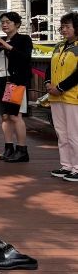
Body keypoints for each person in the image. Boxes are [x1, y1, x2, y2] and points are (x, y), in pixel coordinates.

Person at [0, 12, 33, 162]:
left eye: (8, 22)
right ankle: (8, 148)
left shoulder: (24, 39)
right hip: (0, 80)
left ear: (17, 24)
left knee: (15, 116)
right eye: (2, 22)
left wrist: (8, 47)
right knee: (4, 116)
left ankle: (22, 150)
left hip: (14, 81)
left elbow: (25, 58)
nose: (4, 24)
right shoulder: (0, 41)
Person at [45, 12, 78, 182]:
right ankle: (66, 165)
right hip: (56, 97)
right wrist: (48, 83)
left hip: (73, 97)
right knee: (61, 133)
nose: (64, 29)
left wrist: (60, 88)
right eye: (62, 26)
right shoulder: (58, 46)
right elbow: (49, 68)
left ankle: (77, 167)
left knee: (74, 134)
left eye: (67, 26)